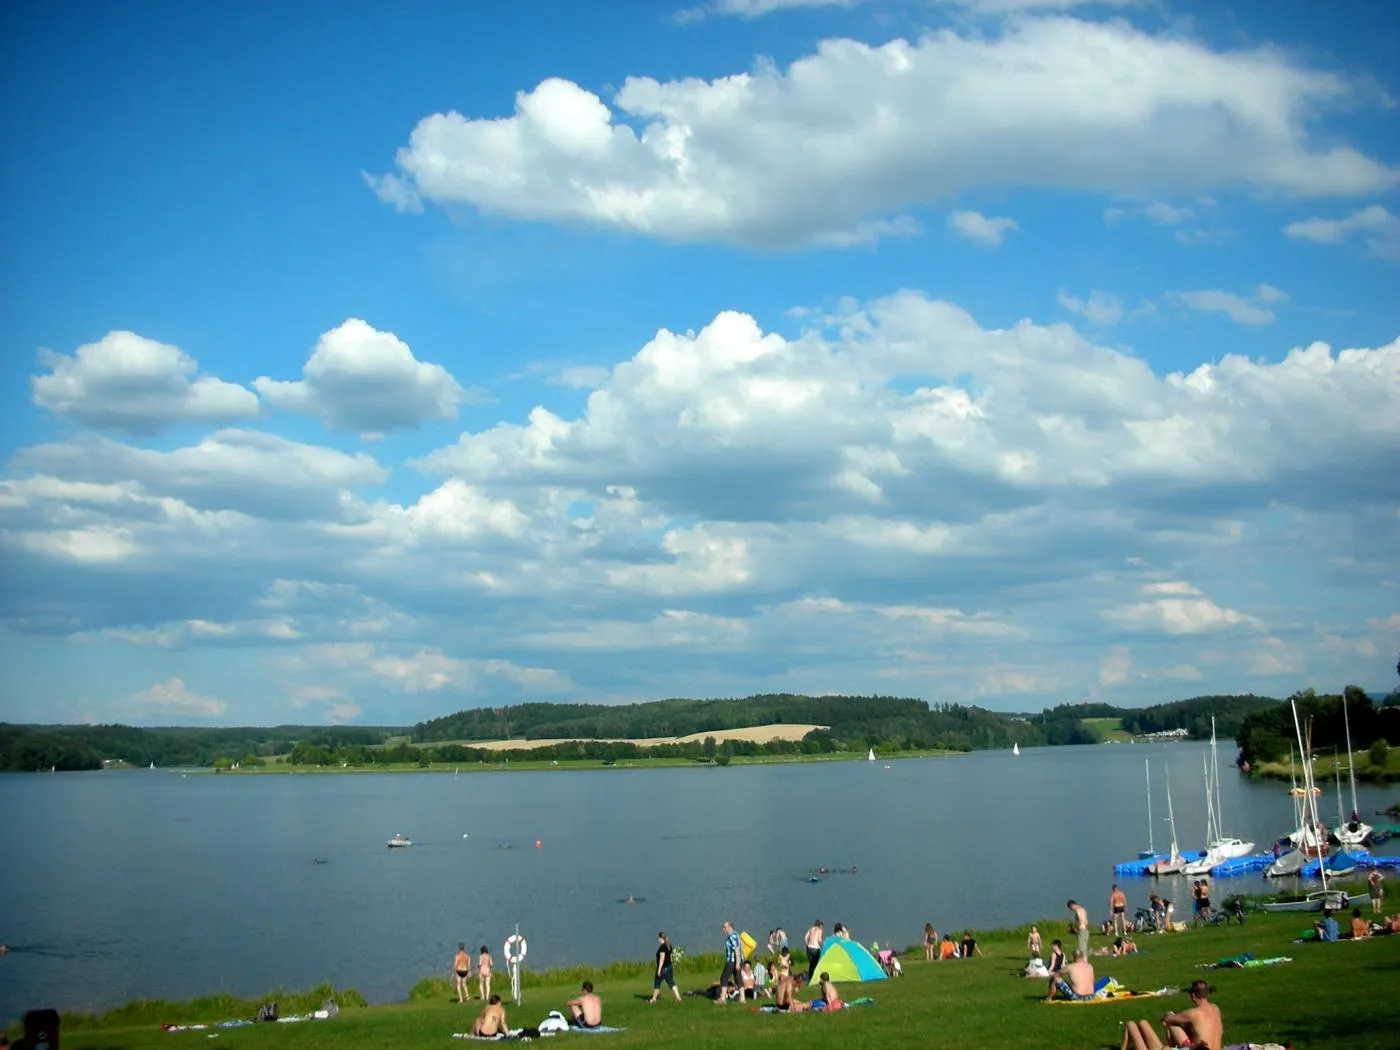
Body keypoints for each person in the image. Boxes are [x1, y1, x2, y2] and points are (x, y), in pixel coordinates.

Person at [1120, 979, 1222, 1050]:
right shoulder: (1215, 1009)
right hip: (1203, 1048)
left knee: (1131, 1025)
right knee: (1143, 1022)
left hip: (1195, 1047)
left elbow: (1165, 1020)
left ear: (1193, 996)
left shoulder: (1193, 1014)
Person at [648, 931, 681, 1003]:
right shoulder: (669, 946)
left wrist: (659, 970)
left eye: (658, 938)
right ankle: (678, 997)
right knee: (671, 983)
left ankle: (653, 999)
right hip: (669, 967)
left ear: (661, 938)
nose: (657, 940)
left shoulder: (662, 947)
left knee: (657, 983)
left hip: (663, 968)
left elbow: (662, 959)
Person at [718, 921, 741, 1001]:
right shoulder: (736, 934)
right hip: (735, 960)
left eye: (724, 927)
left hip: (731, 961)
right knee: (738, 979)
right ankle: (742, 998)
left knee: (723, 978)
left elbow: (736, 949)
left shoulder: (731, 936)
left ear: (730, 927)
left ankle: (723, 998)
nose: (723, 929)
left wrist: (737, 962)